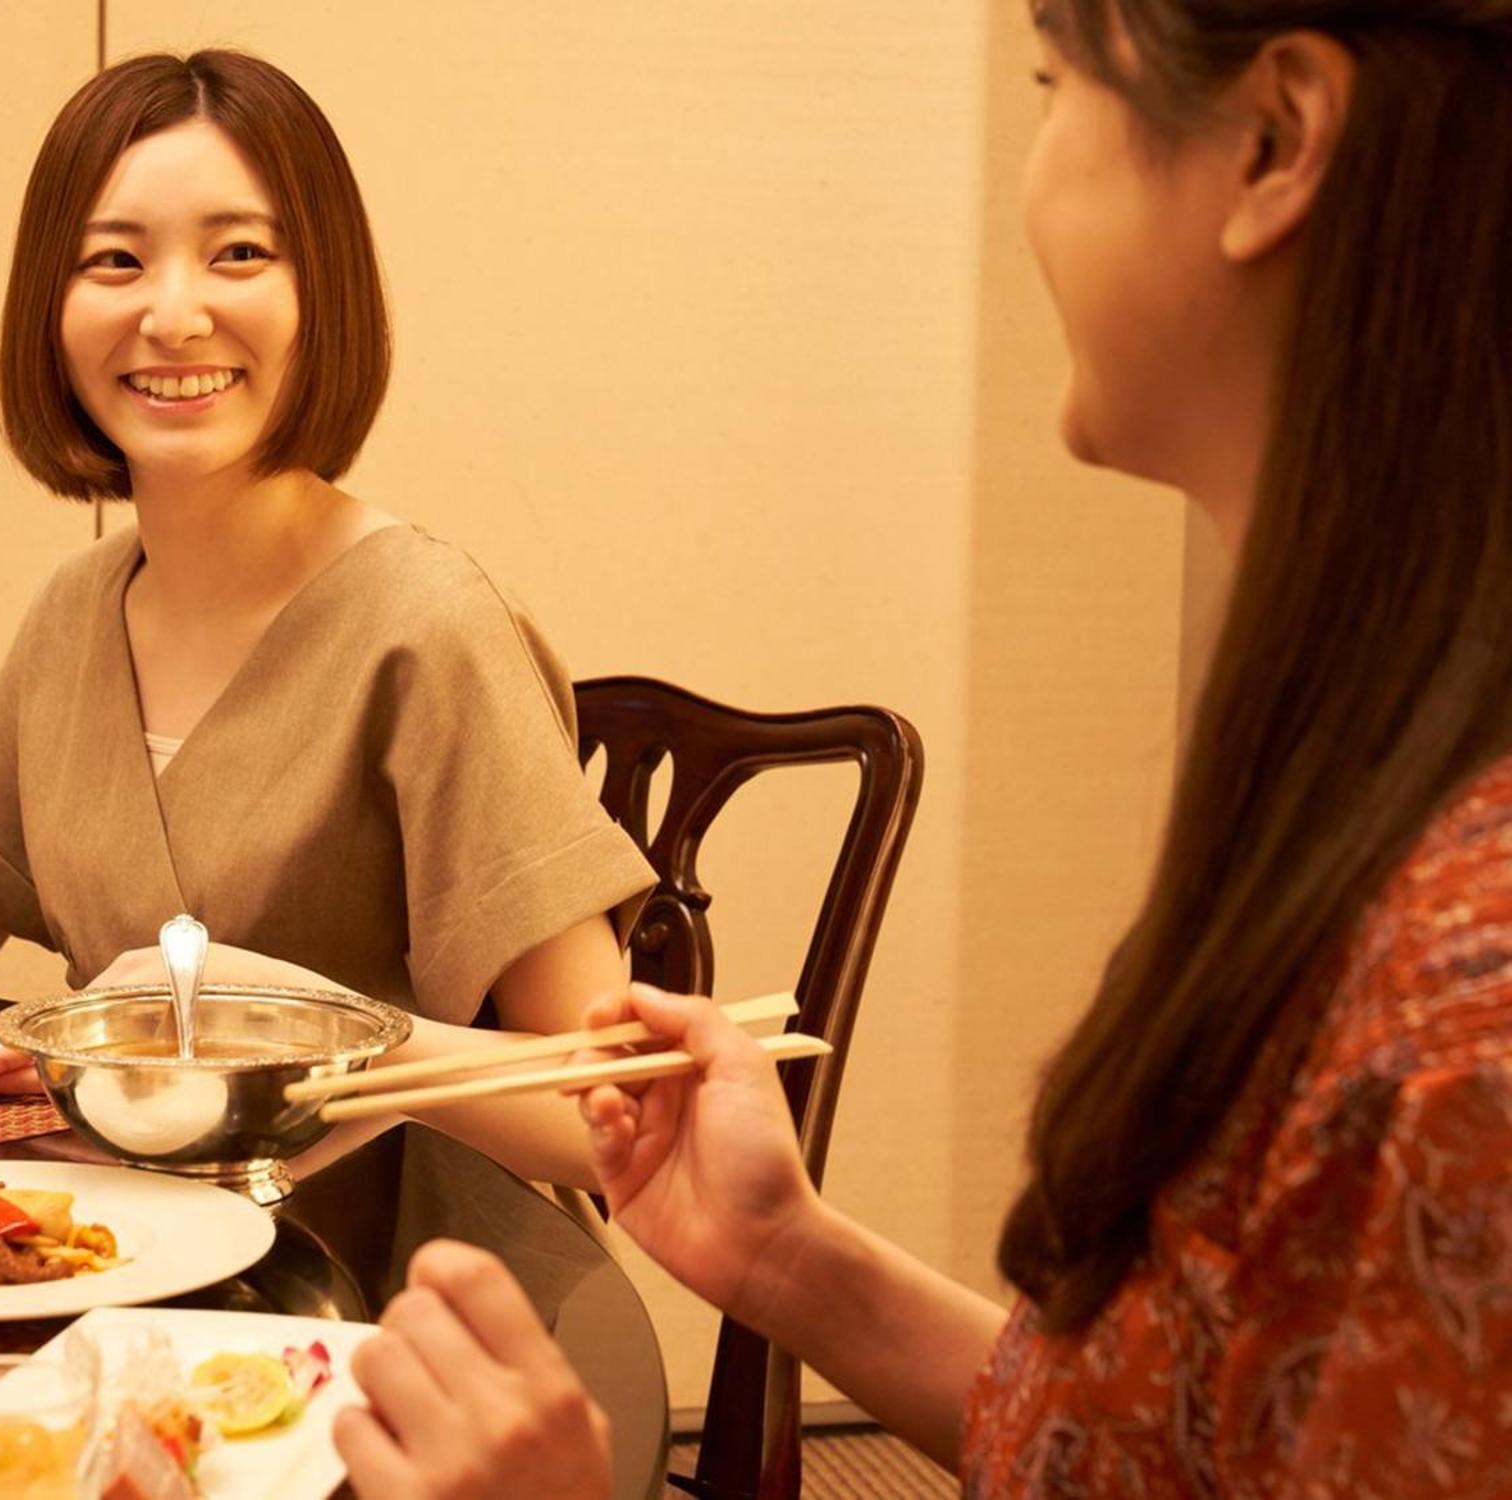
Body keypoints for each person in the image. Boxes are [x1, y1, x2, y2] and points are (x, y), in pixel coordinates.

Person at [335, 0, 1512, 1491]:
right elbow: (1174, 1438)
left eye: (1050, 87)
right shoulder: (1352, 779)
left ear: (1275, 141)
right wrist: (791, 1258)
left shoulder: (1466, 1011)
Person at [0, 51, 652, 1188]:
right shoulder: (74, 615)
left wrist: (304, 1031)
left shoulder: (426, 627)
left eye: (238, 253)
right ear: (50, 314)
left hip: (381, 1299)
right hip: (108, 1249)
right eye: (114, 261)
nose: (171, 313)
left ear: (323, 293)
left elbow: (609, 1118)